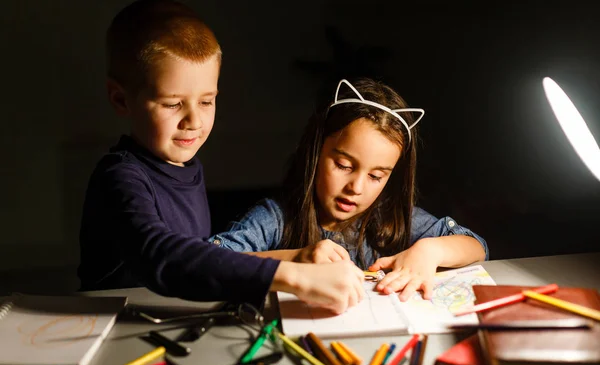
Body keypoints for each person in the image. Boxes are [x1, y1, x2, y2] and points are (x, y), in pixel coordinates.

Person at [78, 0, 364, 314]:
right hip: (114, 334)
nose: (194, 121)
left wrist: (297, 257)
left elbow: (198, 258)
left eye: (206, 101)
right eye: (173, 104)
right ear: (121, 99)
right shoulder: (120, 177)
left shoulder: (185, 167)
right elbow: (162, 256)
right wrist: (293, 276)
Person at [210, 77, 488, 301]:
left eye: (376, 176)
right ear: (315, 152)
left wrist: (431, 250)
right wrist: (295, 258)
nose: (356, 187)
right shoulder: (276, 218)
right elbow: (206, 263)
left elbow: (477, 246)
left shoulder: (389, 218)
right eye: (343, 165)